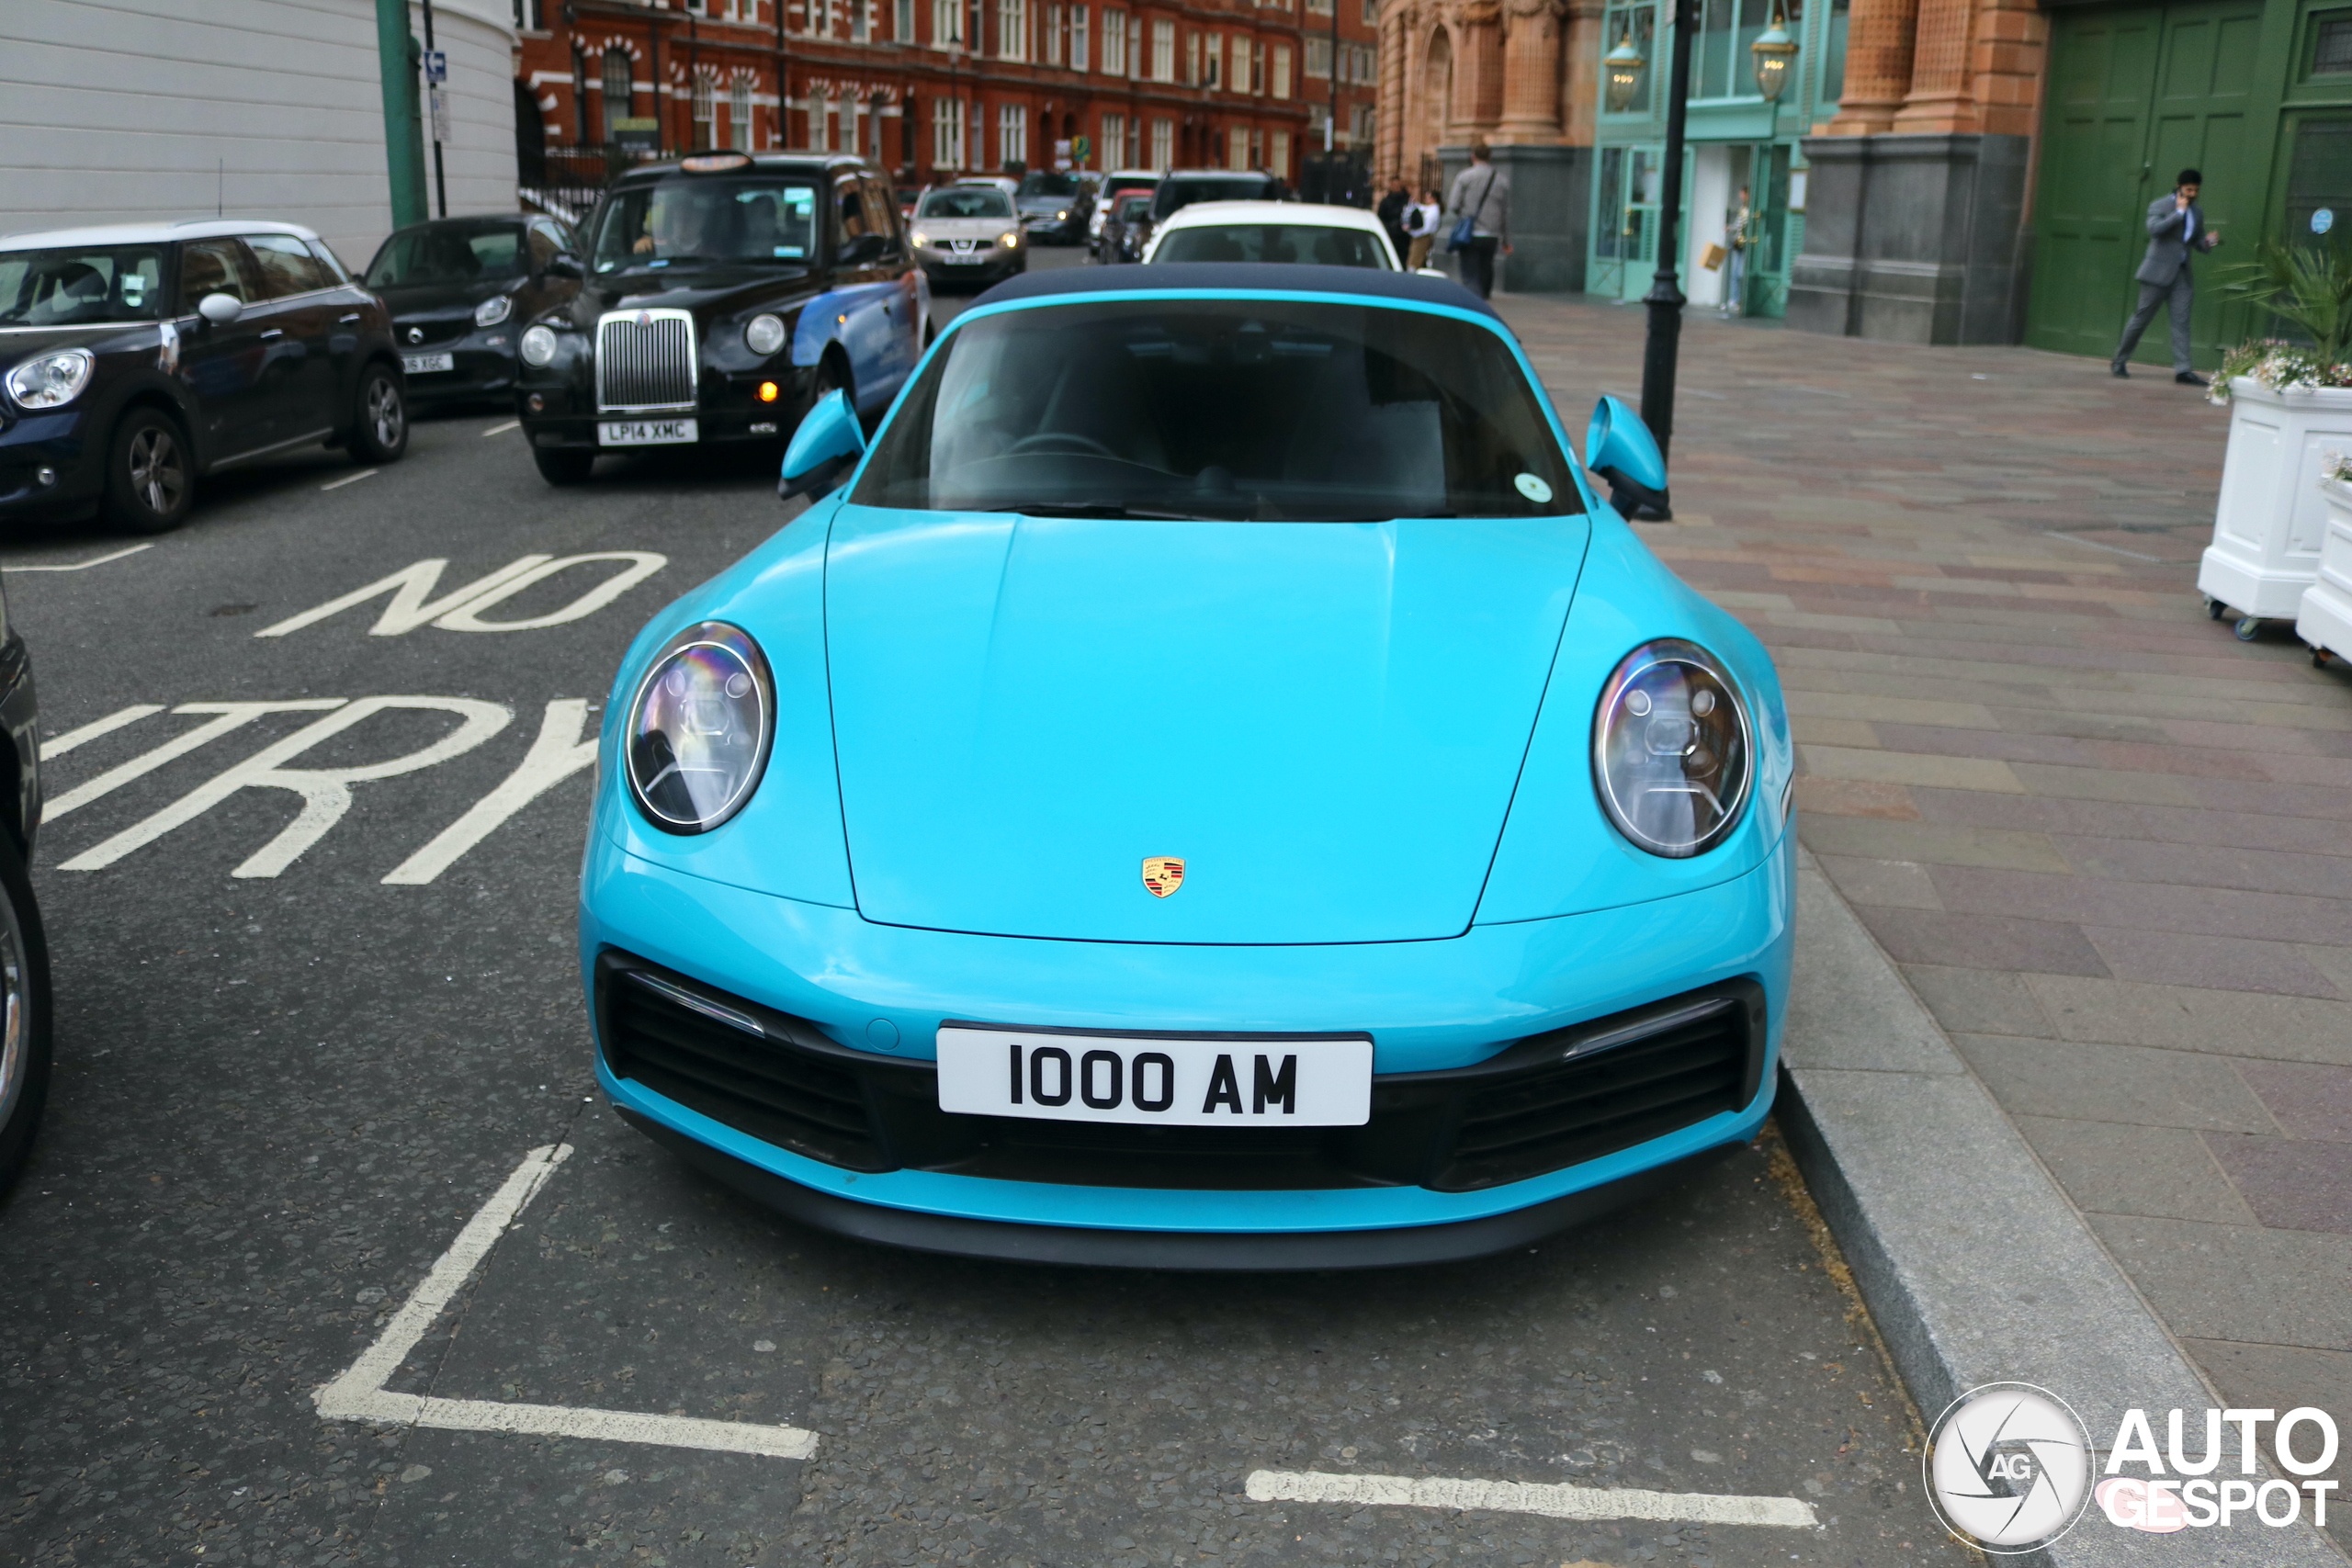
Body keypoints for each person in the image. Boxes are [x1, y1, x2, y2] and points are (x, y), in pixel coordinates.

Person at [2112, 168, 2222, 387]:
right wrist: (2178, 213)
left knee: (2181, 323)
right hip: (2157, 274)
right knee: (2141, 319)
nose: (2192, 194)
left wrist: (2209, 242)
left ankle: (2183, 370)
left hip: (2181, 275)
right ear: (2179, 186)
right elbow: (2154, 230)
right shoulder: (2160, 205)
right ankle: (2119, 361)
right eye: (2188, 189)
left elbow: (2196, 242)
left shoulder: (2197, 212)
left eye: (2196, 190)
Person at [1442, 142, 1512, 299]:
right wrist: (1506, 241)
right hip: (1492, 235)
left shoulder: (1465, 176)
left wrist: (1466, 214)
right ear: (1490, 157)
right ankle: (1485, 297)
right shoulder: (1501, 180)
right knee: (1486, 268)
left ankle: (1476, 301)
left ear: (1473, 156)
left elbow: (1453, 204)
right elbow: (1505, 212)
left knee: (1470, 273)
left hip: (1470, 233)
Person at [1720, 185, 1751, 318]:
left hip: (1744, 244)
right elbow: (1739, 226)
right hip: (1738, 244)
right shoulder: (1743, 209)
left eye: (1743, 194)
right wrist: (1731, 229)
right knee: (1735, 273)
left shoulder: (1749, 210)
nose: (1741, 197)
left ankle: (1740, 299)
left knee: (1739, 273)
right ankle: (1735, 299)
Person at [1375, 177, 1411, 267]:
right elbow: (1381, 217)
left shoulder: (1407, 200)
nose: (1396, 187)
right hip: (1391, 233)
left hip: (1404, 235)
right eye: (1394, 185)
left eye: (1398, 185)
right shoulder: (1386, 201)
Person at [1405, 188, 1441, 271]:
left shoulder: (1434, 211)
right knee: (1414, 256)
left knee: (1415, 258)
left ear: (1434, 199)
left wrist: (1412, 231)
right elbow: (1422, 208)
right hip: (1418, 236)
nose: (1426, 199)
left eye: (1428, 197)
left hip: (1422, 237)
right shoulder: (1429, 208)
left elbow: (1426, 228)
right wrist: (1414, 203)